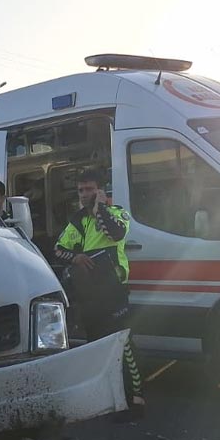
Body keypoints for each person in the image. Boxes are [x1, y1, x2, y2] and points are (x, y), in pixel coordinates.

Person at [54, 169, 145, 418]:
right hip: (90, 294)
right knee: (97, 347)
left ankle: (135, 399)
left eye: (90, 189)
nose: (84, 194)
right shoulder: (77, 221)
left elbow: (115, 233)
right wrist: (77, 257)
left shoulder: (117, 213)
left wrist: (100, 208)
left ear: (100, 190)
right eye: (81, 190)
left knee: (124, 345)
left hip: (114, 291)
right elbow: (58, 249)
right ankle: (105, 401)